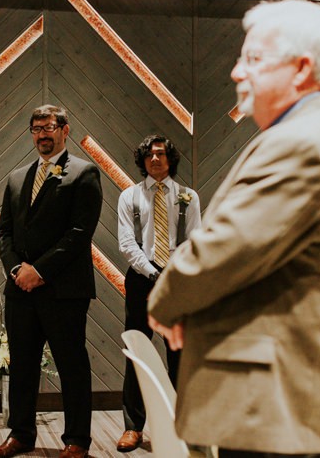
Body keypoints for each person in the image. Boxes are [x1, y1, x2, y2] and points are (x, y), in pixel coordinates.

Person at [147, 0, 320, 458]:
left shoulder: (303, 142)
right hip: (275, 400)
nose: (236, 72)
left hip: (272, 406)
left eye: (253, 59)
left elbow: (224, 249)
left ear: (301, 69)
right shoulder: (318, 130)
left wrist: (166, 302)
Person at [0, 105, 103, 458]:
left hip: (63, 290)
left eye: (49, 127)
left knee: (72, 366)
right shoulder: (16, 177)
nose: (42, 134)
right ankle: (21, 433)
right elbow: (4, 233)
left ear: (65, 130)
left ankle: (77, 440)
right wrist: (16, 271)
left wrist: (38, 271)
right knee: (22, 365)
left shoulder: (84, 173)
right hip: (20, 290)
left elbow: (79, 233)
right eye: (36, 128)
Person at [115, 134, 201, 453]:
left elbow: (193, 242)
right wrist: (154, 273)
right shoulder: (129, 197)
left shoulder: (188, 198)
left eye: (161, 154)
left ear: (170, 159)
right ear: (143, 160)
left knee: (179, 354)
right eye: (150, 155)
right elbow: (127, 244)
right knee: (137, 353)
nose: (155, 159)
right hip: (142, 279)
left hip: (177, 280)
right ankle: (132, 428)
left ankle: (181, 424)